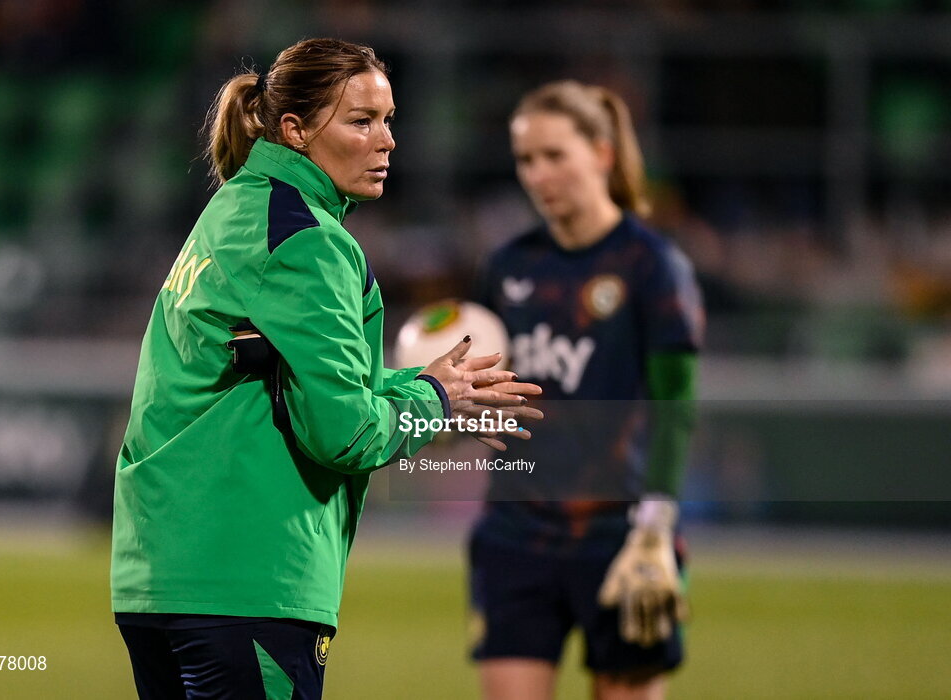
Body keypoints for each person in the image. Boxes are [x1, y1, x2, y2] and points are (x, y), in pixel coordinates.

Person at [110, 38, 540, 700]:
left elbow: (284, 382)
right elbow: (343, 431)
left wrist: (430, 387)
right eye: (361, 120)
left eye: (390, 118)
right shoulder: (307, 240)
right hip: (249, 578)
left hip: (160, 573)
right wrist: (432, 400)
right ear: (295, 128)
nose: (387, 139)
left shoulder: (234, 210)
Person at [469, 80, 704, 700]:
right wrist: (469, 415)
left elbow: (675, 406)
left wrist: (656, 526)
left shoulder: (651, 265)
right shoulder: (508, 267)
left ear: (601, 153)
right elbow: (488, 392)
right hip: (516, 530)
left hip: (620, 534)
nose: (538, 174)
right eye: (525, 159)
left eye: (555, 156)